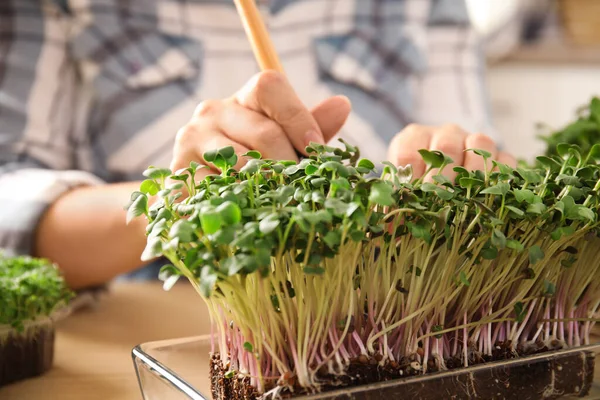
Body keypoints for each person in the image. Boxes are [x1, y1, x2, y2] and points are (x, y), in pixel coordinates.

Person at [0, 0, 515, 289]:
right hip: (143, 333)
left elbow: (479, 158)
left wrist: (463, 167)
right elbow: (9, 199)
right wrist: (174, 203)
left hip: (380, 315)